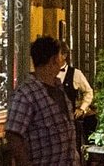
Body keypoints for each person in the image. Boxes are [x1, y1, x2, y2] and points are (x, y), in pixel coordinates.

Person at [5, 35, 80, 166]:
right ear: (53, 60)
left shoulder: (58, 87)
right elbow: (13, 134)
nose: (62, 60)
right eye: (60, 56)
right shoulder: (26, 94)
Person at [58, 42, 95, 149]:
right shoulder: (49, 73)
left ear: (64, 55)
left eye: (56, 54)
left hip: (70, 120)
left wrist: (82, 108)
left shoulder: (75, 73)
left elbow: (88, 92)